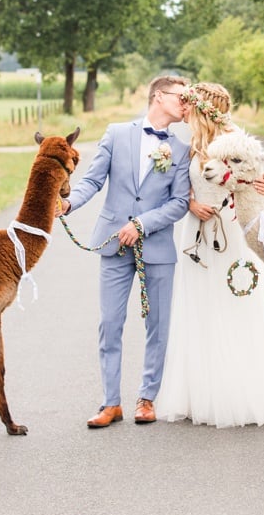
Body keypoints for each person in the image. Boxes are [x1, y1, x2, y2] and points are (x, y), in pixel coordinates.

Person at [154, 81, 264, 426]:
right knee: (200, 307)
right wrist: (192, 204)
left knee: (235, 304)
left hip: (233, 231)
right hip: (197, 232)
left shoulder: (236, 140)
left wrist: (262, 186)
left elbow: (255, 180)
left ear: (203, 106)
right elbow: (183, 189)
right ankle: (202, 393)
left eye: (191, 102)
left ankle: (242, 392)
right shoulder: (191, 144)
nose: (185, 108)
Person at [63, 74, 193, 428]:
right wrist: (68, 204)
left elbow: (180, 202)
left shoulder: (181, 150)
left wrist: (141, 225)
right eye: (182, 96)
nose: (187, 103)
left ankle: (147, 399)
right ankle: (110, 403)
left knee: (158, 324)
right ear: (159, 97)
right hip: (112, 244)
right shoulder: (116, 133)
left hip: (157, 247)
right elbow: (91, 180)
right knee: (109, 323)